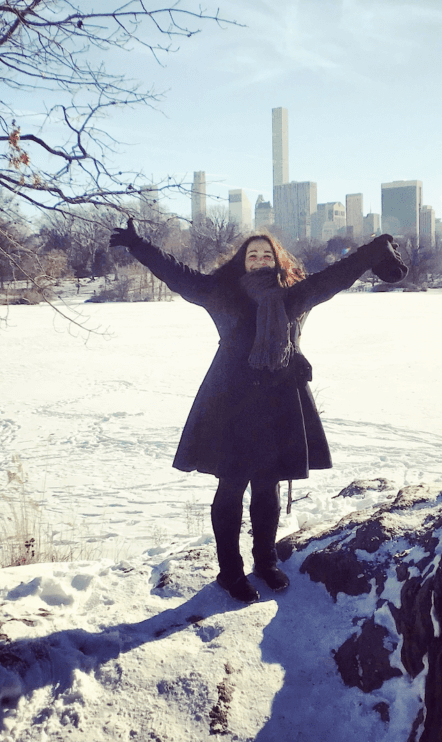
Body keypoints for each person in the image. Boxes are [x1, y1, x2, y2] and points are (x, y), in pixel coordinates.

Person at [109, 220, 407, 603]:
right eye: (253, 254)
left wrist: (375, 250)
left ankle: (265, 562)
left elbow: (336, 276)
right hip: (229, 403)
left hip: (279, 402)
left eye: (267, 253)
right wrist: (138, 245)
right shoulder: (219, 292)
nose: (260, 259)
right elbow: (177, 275)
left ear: (277, 260)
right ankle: (230, 573)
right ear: (242, 261)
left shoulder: (294, 295)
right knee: (231, 487)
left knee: (267, 486)